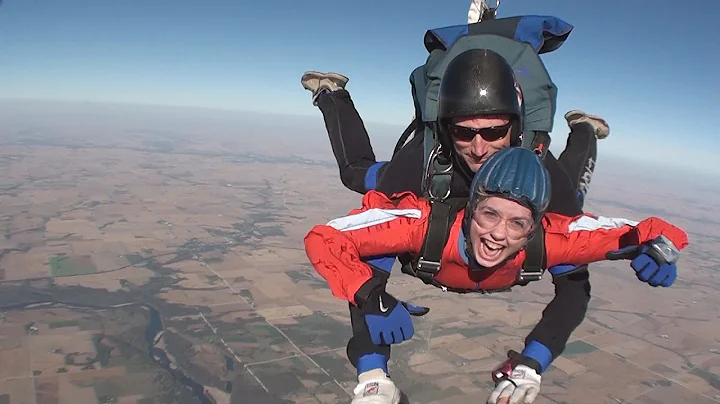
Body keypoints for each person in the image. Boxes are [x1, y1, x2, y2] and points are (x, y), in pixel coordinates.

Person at [304, 147, 687, 404]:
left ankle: (583, 132)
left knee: (575, 256)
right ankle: (373, 378)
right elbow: (325, 239)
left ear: (534, 227)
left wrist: (660, 249)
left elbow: (648, 231)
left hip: (537, 234)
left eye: (517, 223)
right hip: (432, 244)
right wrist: (372, 295)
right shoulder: (422, 225)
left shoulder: (552, 241)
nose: (498, 234)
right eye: (489, 214)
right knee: (372, 261)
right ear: (470, 209)